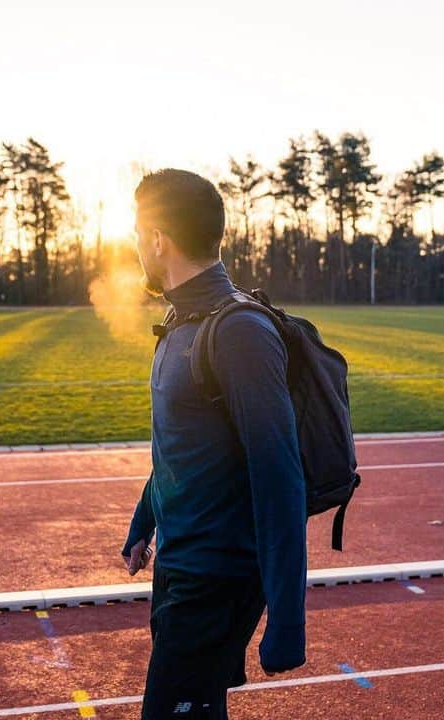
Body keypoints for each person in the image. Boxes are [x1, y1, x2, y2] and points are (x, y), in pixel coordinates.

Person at [120, 169, 308, 719]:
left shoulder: (239, 333)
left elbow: (280, 477)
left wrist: (287, 619)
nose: (134, 245)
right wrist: (144, 523)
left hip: (218, 579)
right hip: (180, 568)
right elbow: (183, 450)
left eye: (137, 232)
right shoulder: (182, 324)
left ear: (158, 238)